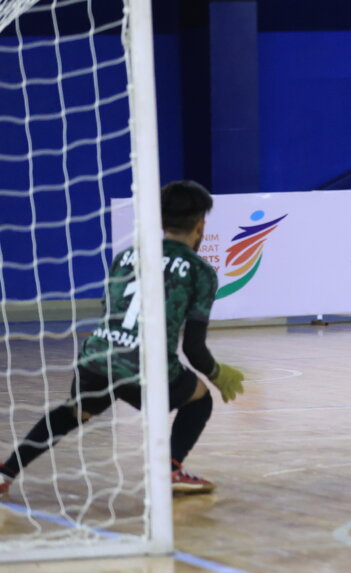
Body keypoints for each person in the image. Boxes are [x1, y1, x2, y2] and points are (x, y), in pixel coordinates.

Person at [0, 180, 245, 501]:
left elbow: (110, 312)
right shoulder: (200, 271)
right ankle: (169, 468)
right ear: (201, 225)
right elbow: (193, 349)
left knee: (73, 413)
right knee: (200, 399)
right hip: (144, 366)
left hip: (96, 357)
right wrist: (217, 374)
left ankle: (6, 473)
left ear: (159, 221)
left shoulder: (128, 256)